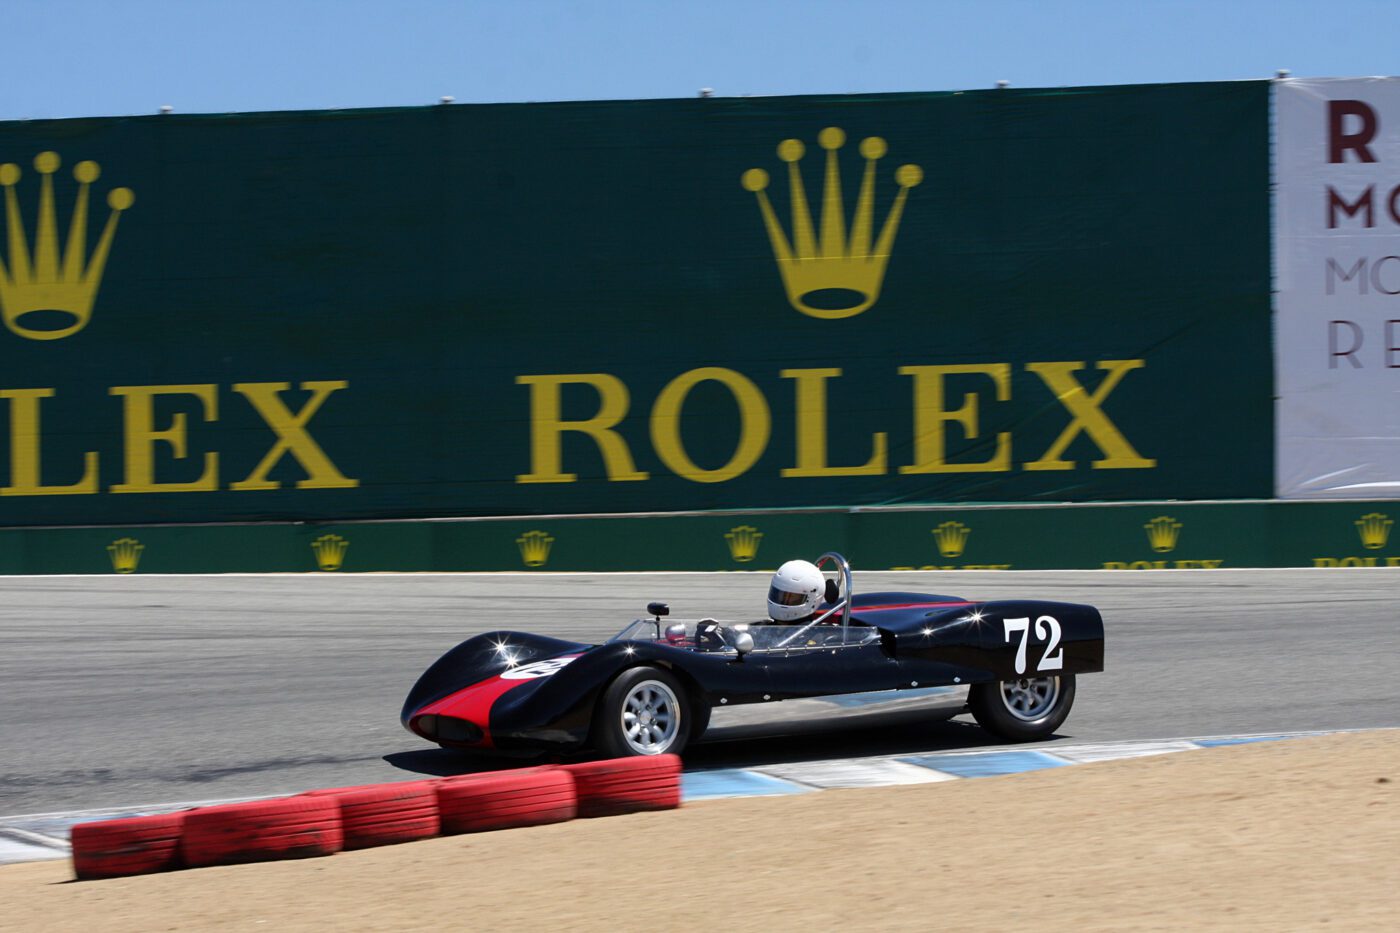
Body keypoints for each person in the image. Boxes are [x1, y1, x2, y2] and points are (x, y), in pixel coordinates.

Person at [766, 559, 826, 624]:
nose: (783, 601)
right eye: (780, 594)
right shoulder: (762, 628)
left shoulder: (816, 632)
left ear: (812, 599)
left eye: (792, 596)